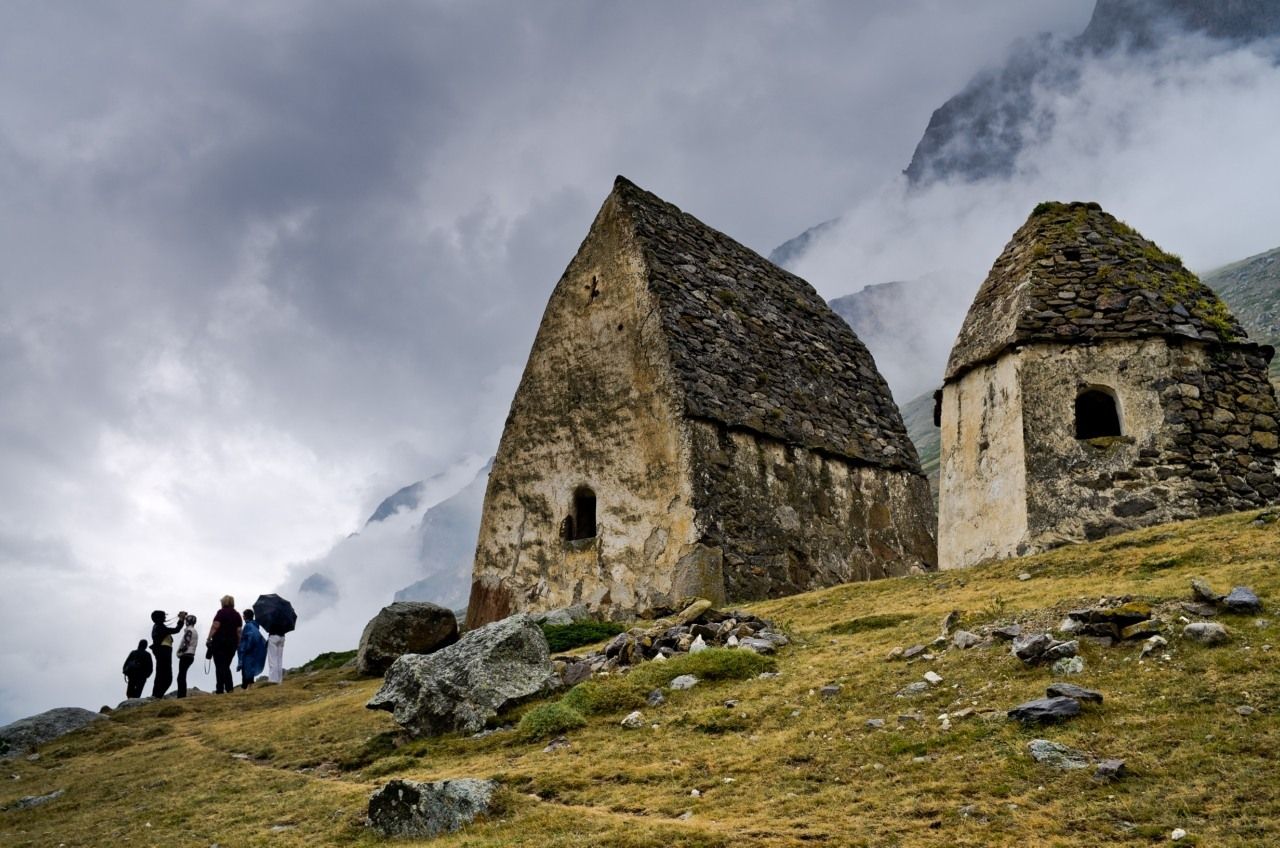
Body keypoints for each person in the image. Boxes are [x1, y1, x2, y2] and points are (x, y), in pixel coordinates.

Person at [206, 595, 242, 695]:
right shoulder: (237, 615)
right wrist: (238, 643)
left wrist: (209, 638)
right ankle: (221, 689)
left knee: (221, 666)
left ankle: (226, 688)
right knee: (225, 665)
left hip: (219, 642)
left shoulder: (221, 613)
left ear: (223, 603)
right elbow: (239, 631)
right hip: (232, 644)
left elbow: (215, 626)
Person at [150, 609, 187, 699]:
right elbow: (176, 630)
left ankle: (156, 695)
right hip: (164, 652)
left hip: (162, 652)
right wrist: (181, 619)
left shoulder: (157, 627)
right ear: (160, 618)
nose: (165, 618)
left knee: (160, 675)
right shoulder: (160, 627)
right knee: (167, 677)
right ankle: (157, 696)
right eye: (164, 616)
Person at [237, 608, 267, 689]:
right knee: (251, 669)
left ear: (245, 617)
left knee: (246, 670)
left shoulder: (248, 626)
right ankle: (249, 687)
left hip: (248, 652)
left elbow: (250, 637)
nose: (243, 617)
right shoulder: (255, 625)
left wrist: (246, 648)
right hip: (254, 652)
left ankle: (246, 688)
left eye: (243, 615)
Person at [175, 614, 199, 698]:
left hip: (186, 655)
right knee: (182, 675)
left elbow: (185, 643)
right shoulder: (194, 631)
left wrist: (179, 652)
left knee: (181, 676)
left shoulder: (189, 631)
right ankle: (182, 695)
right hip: (191, 655)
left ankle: (181, 695)